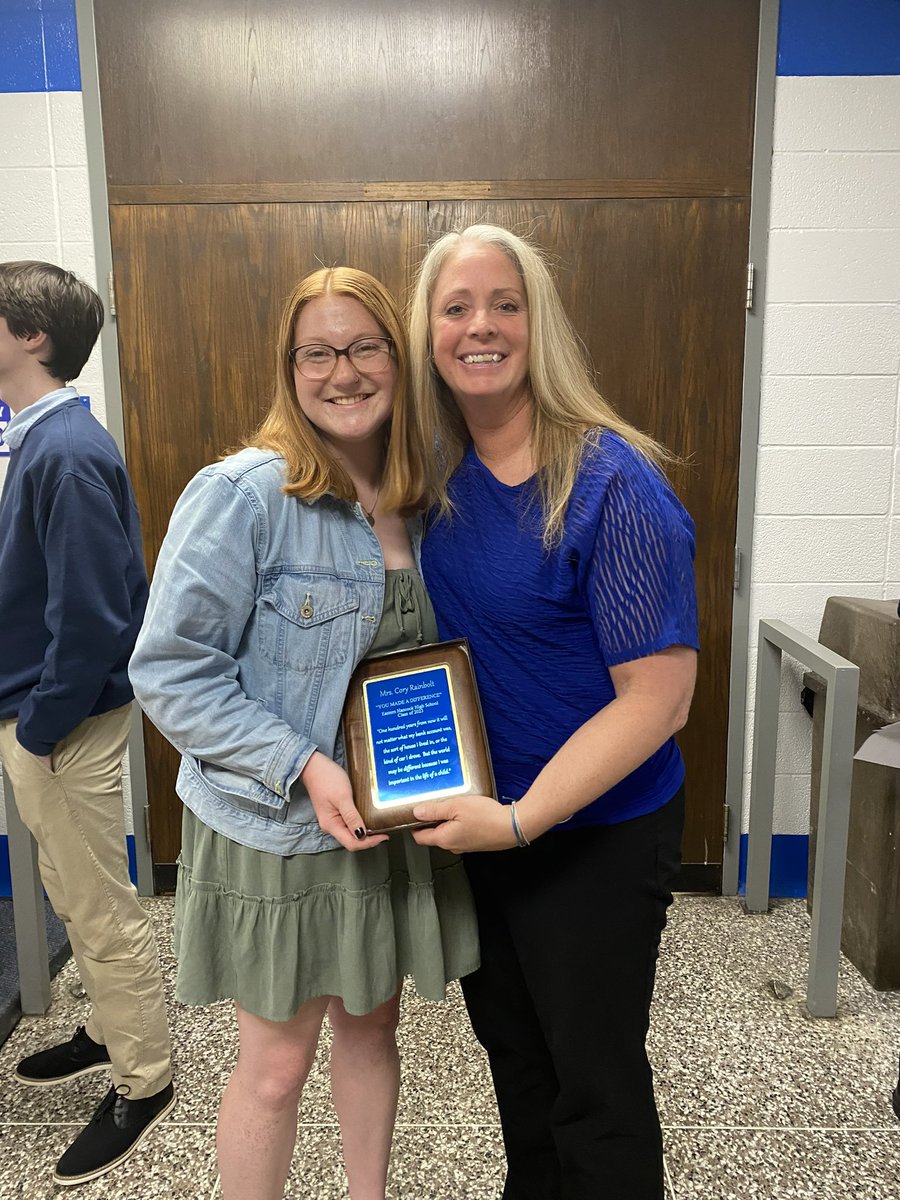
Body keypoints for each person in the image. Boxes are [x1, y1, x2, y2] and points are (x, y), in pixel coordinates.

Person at [128, 267, 479, 1200]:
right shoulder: (244, 495)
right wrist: (302, 764)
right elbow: (168, 669)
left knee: (372, 1034)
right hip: (279, 828)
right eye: (317, 352)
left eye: (366, 348)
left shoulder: (424, 495)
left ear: (398, 363)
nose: (345, 372)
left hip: (388, 826)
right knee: (275, 1068)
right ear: (288, 370)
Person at [403, 225, 700, 1200]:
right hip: (488, 831)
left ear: (539, 326)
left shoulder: (612, 486)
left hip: (594, 837)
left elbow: (657, 701)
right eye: (457, 307)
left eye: (505, 304)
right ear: (429, 330)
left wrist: (525, 820)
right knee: (519, 1073)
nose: (480, 325)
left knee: (595, 1090)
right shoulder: (434, 478)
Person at [0, 261, 174, 1187]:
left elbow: (98, 615)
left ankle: (145, 1081)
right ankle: (110, 1031)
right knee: (78, 893)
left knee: (101, 909)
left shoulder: (64, 449)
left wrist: (36, 729)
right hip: (47, 718)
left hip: (59, 726)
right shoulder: (40, 439)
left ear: (33, 336)